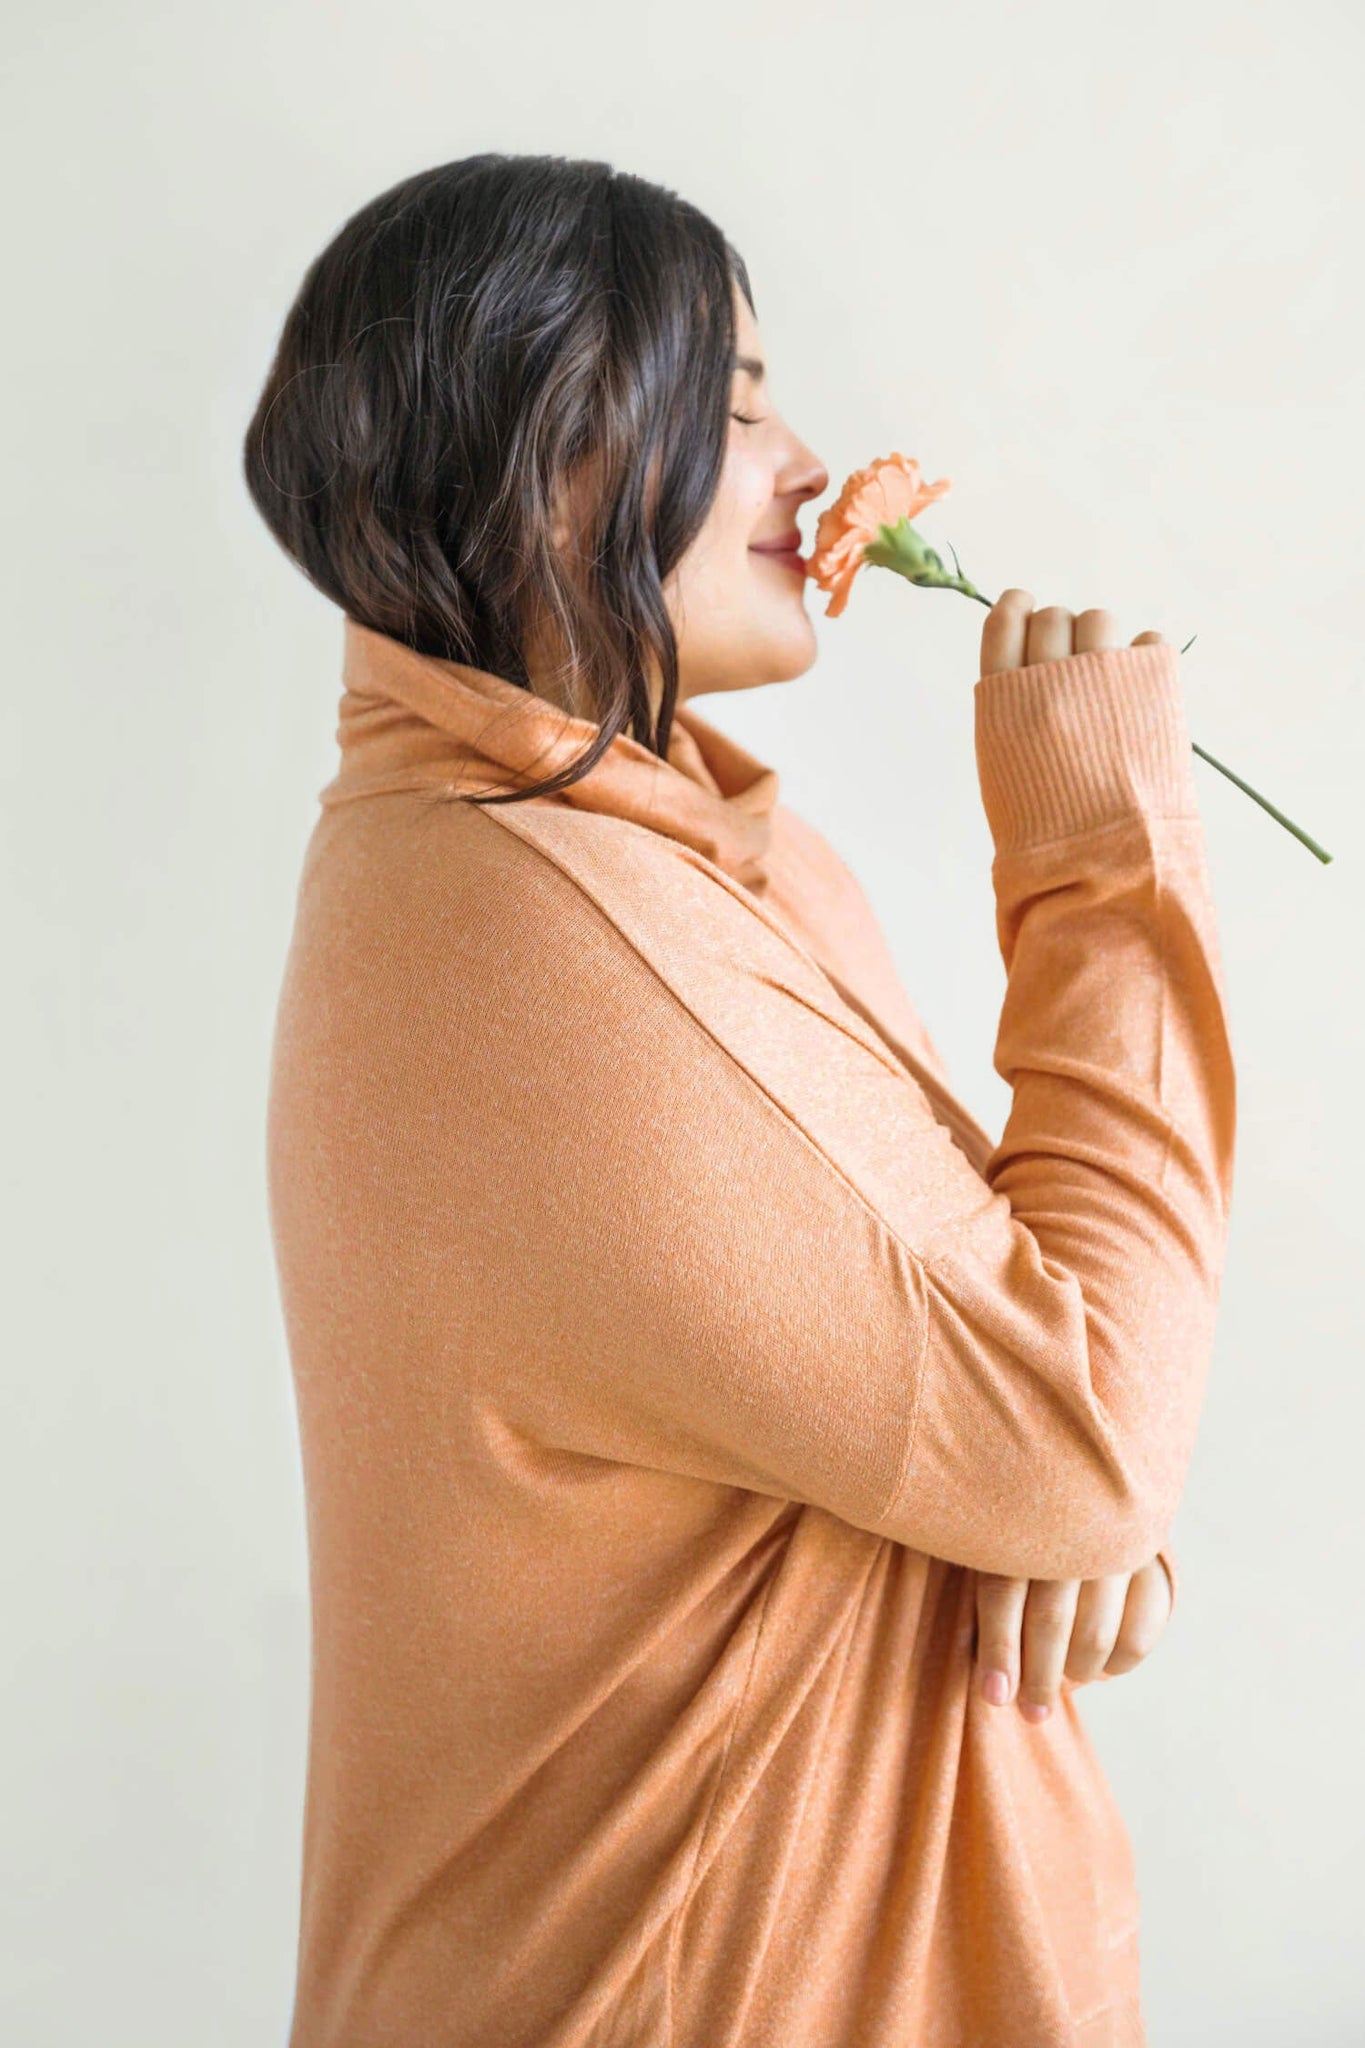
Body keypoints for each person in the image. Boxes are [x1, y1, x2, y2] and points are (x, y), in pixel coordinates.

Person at [247, 153, 1236, 2048]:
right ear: (543, 453)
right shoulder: (551, 931)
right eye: (739, 404)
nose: (808, 469)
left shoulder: (637, 861)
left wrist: (1063, 1503)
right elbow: (1084, 1423)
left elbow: (1019, 1384)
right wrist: (1105, 869)